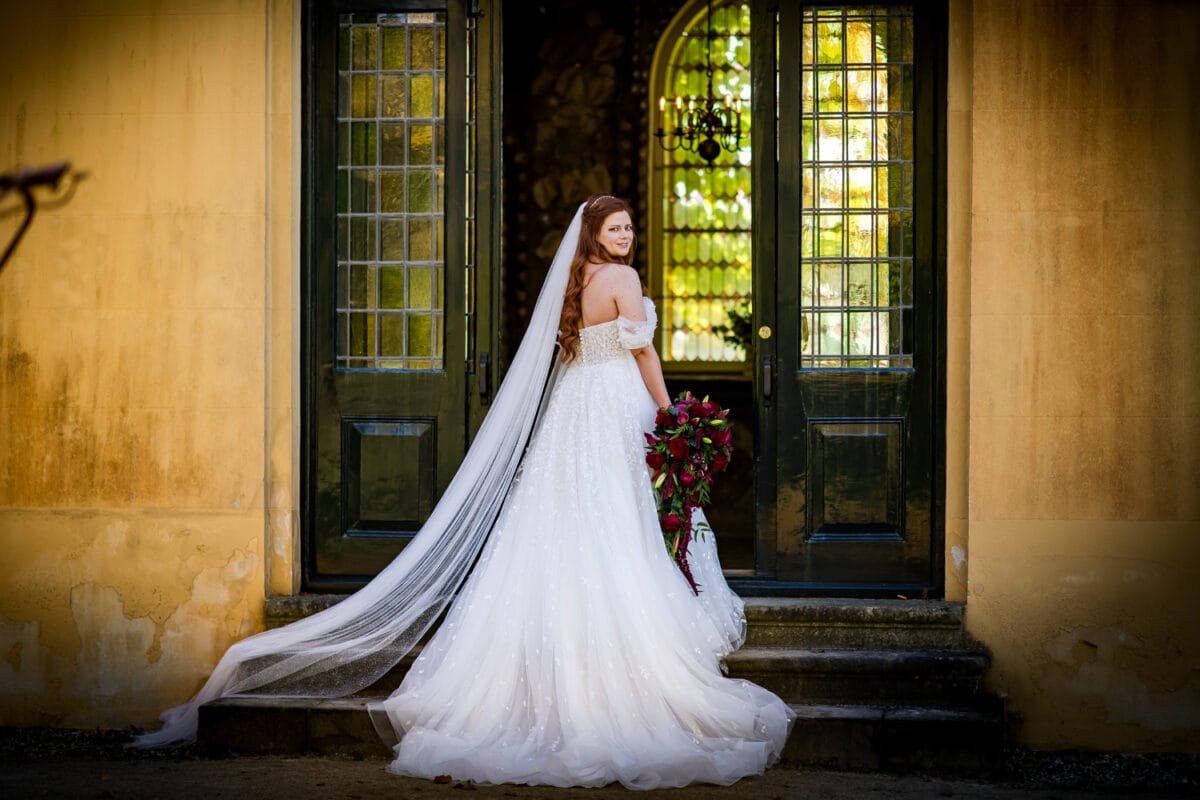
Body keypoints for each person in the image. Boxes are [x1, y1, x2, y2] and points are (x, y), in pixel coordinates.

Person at [136, 195, 794, 789]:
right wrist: (669, 411)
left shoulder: (579, 278)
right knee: (616, 518)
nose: (624, 237)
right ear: (595, 232)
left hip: (574, 410)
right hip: (615, 403)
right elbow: (644, 355)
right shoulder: (621, 279)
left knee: (571, 518)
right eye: (614, 228)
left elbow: (572, 352)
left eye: (627, 228)